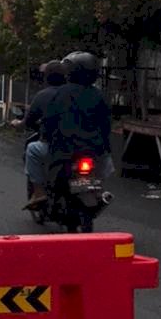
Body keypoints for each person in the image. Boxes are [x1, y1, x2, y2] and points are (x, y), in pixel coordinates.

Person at [43, 51, 114, 181]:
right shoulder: (100, 96)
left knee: (51, 177)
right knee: (104, 172)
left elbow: (49, 120)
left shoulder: (61, 93)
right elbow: (106, 126)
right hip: (95, 151)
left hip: (65, 151)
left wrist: (45, 135)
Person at [19, 60, 68, 209]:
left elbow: (28, 121)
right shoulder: (78, 94)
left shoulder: (43, 95)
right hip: (83, 146)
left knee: (32, 149)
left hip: (54, 147)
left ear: (46, 77)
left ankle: (39, 192)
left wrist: (18, 124)